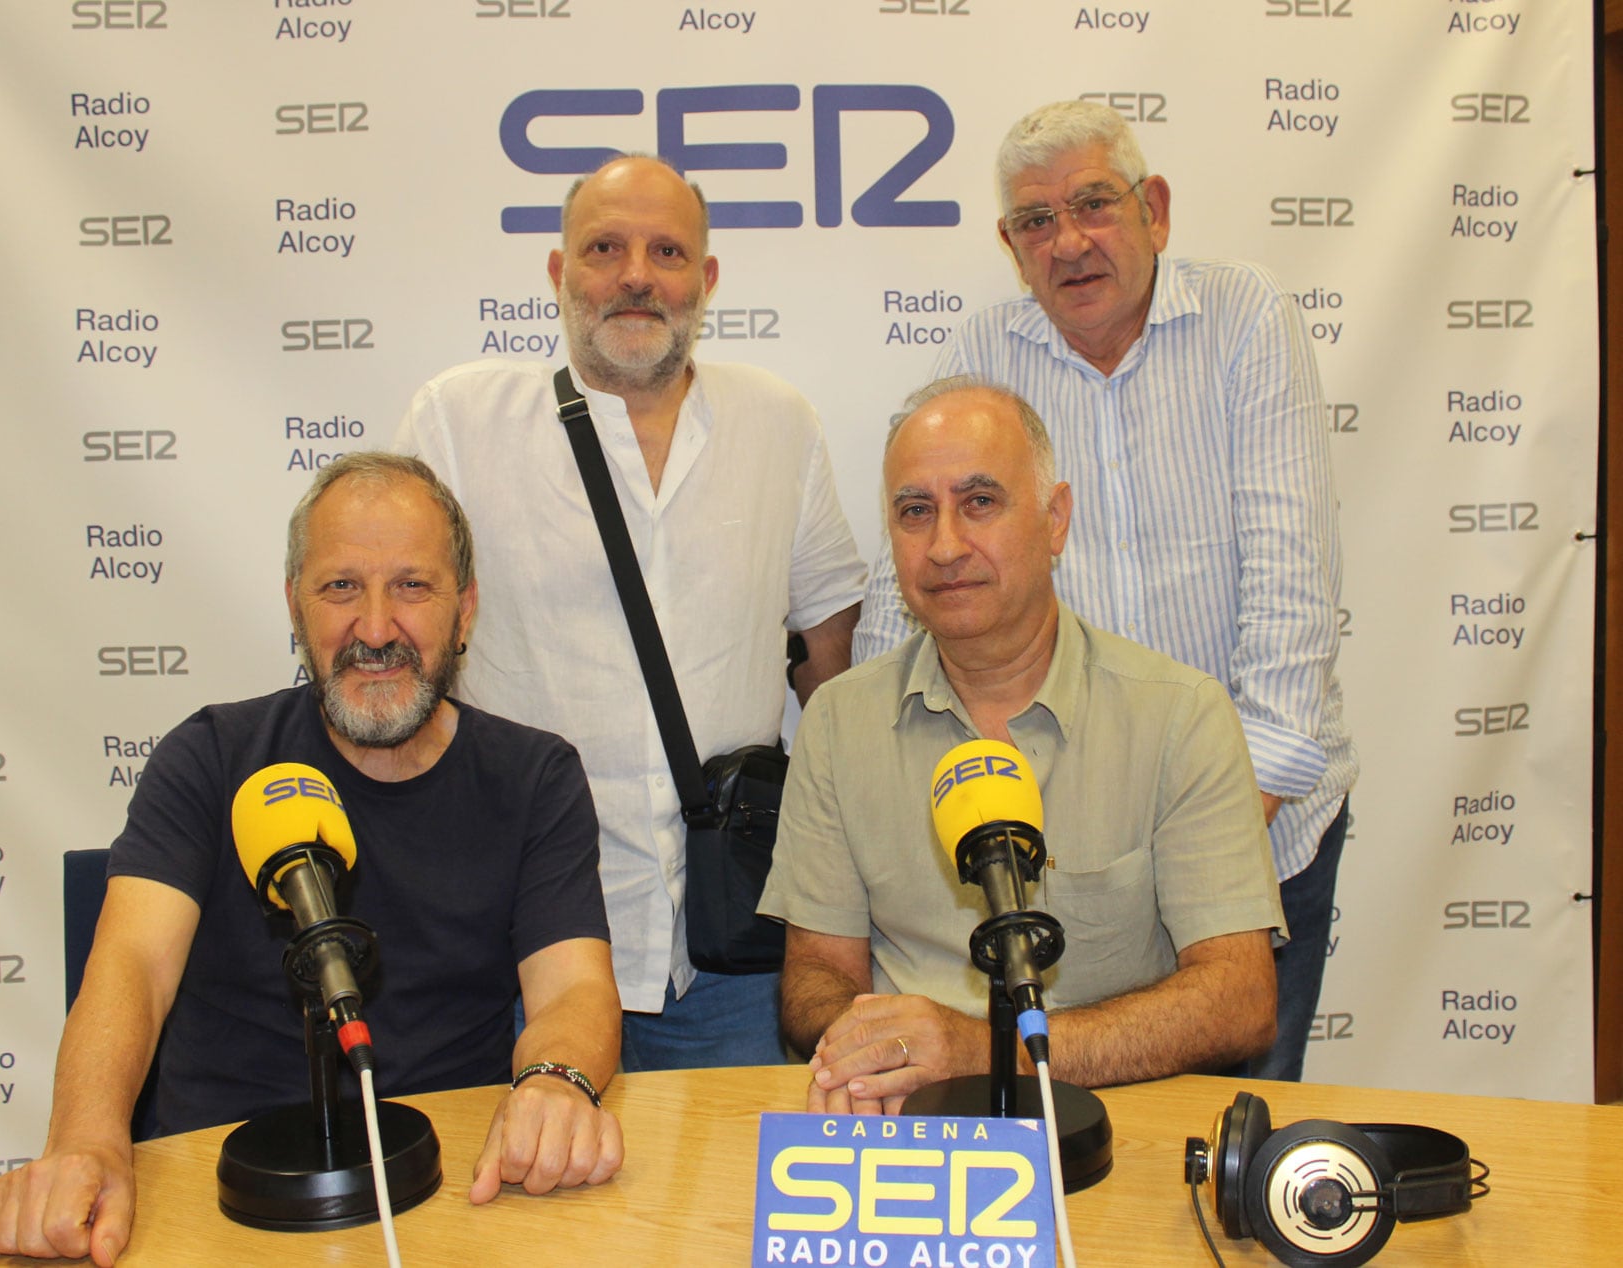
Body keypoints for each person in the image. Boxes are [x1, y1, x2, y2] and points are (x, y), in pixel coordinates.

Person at [0, 454, 624, 1265]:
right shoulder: (210, 756)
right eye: (341, 587)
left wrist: (557, 1082)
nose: (378, 628)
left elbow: (573, 988)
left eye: (413, 587)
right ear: (295, 606)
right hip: (216, 1195)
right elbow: (133, 965)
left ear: (466, 611)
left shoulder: (536, 777)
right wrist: (85, 1143)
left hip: (454, 1187)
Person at [853, 101, 1355, 1082]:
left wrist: (1184, 853)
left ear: (1154, 210)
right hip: (1056, 860)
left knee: (1221, 1161)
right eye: (1036, 221)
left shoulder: (1246, 318)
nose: (1069, 241)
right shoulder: (982, 358)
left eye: (1093, 204)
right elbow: (897, 601)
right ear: (1009, 244)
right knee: (1063, 1149)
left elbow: (1293, 619)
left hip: (1260, 831)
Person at [392, 155, 866, 1070]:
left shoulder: (780, 423)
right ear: (559, 273)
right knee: (528, 1204)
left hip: (730, 951)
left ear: (708, 280)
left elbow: (830, 664)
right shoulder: (458, 422)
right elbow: (399, 645)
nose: (637, 275)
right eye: (605, 248)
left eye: (667, 251)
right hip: (516, 944)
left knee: (729, 1211)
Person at [763, 381, 1283, 1113]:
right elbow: (817, 970)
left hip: (1118, 1125)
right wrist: (868, 1047)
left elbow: (1239, 1000)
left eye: (980, 502)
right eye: (916, 512)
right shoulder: (839, 720)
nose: (945, 546)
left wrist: (983, 1053)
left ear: (1055, 519)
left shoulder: (1180, 716)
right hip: (910, 1126)